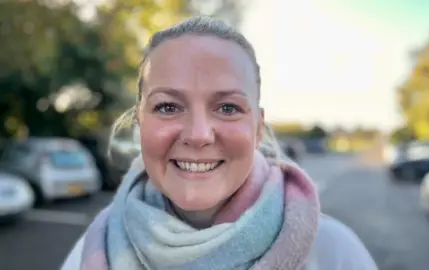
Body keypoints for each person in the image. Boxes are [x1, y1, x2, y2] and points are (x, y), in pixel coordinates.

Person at [61, 16, 377, 270]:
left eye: (228, 108)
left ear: (257, 128)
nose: (198, 135)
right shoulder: (92, 249)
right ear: (139, 123)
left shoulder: (333, 252)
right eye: (168, 107)